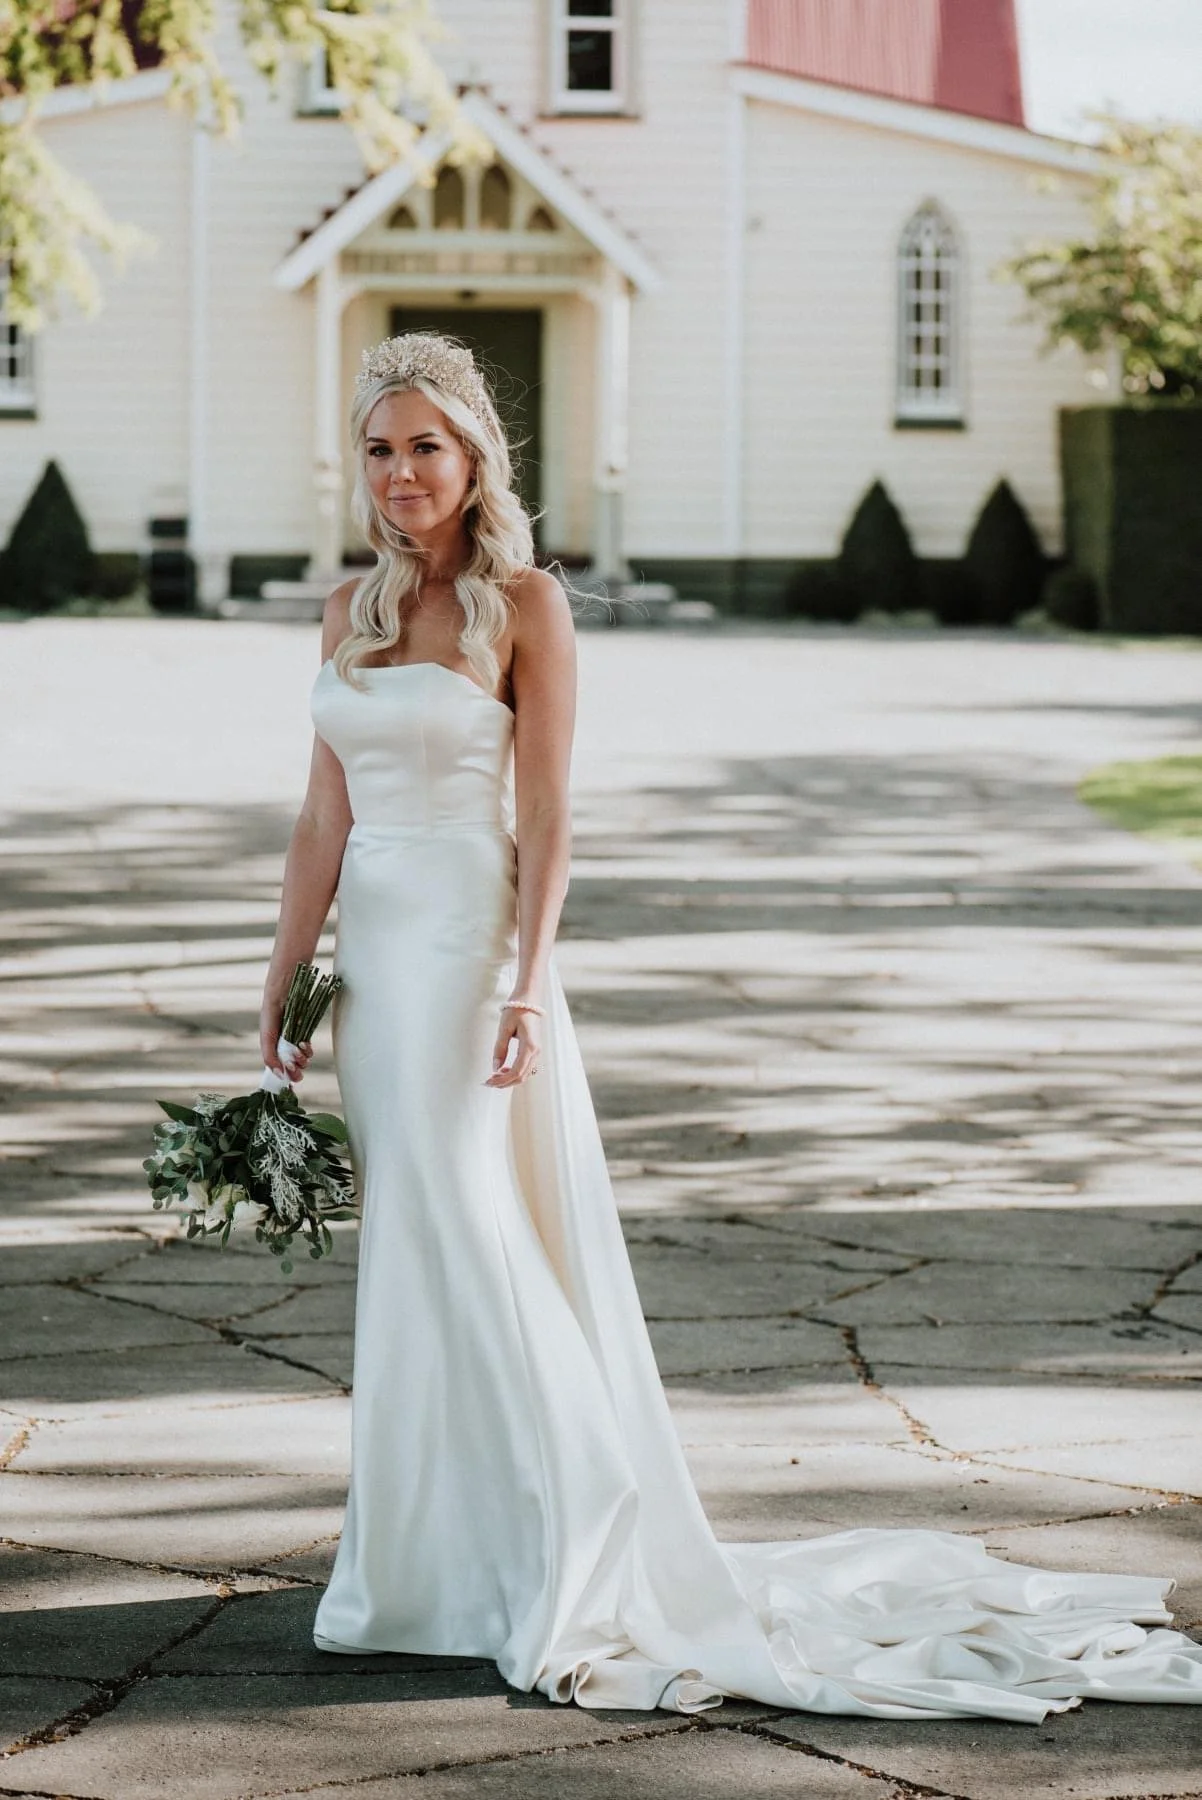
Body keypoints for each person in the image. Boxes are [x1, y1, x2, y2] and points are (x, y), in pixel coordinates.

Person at [260, 332, 1202, 1719]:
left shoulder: (524, 604)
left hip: (468, 954)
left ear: (474, 462)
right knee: (414, 1248)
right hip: (377, 970)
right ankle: (428, 1566)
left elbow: (556, 819)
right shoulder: (345, 607)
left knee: (476, 1229)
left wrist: (528, 983)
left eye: (426, 448)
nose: (400, 473)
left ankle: (573, 1542)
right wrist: (286, 977)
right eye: (380, 450)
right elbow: (320, 817)